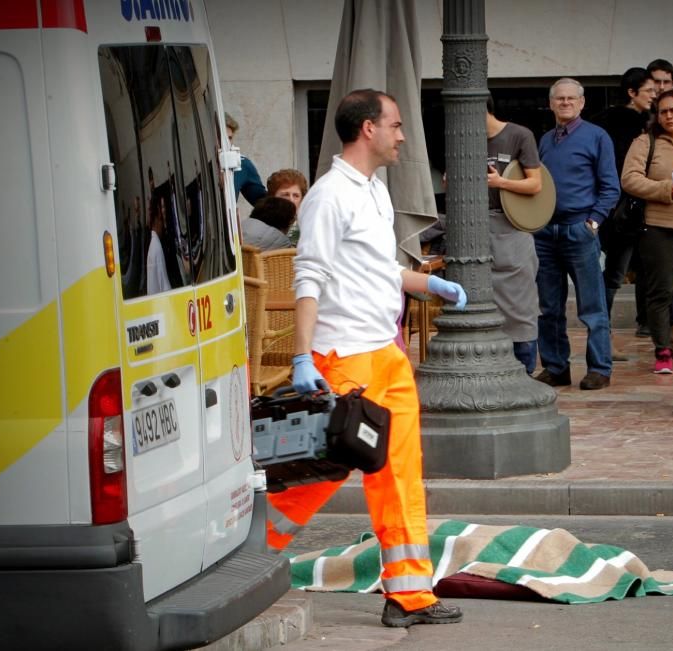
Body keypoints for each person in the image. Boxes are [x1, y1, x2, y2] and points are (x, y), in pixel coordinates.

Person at [276, 89, 467, 628]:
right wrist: (301, 358)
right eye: (397, 125)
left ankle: (409, 595)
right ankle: (247, 559)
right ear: (368, 129)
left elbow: (381, 270)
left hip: (383, 353)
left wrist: (429, 284)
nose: (403, 135)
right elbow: (308, 274)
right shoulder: (328, 195)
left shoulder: (374, 191)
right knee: (312, 477)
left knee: (401, 476)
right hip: (342, 359)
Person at [534, 78, 620, 391]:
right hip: (544, 233)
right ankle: (556, 368)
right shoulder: (545, 140)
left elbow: (611, 186)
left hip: (580, 230)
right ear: (551, 103)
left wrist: (594, 221)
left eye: (571, 98)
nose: (566, 103)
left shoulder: (597, 137)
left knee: (593, 307)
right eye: (560, 99)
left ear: (582, 103)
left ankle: (599, 369)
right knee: (548, 307)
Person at [621, 89, 673, 374]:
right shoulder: (646, 142)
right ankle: (663, 350)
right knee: (660, 291)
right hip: (657, 225)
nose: (669, 116)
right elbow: (629, 179)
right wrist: (666, 189)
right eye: (663, 111)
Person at [590, 67, 655, 357]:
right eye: (650, 91)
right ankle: (602, 338)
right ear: (632, 93)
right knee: (615, 275)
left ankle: (670, 339)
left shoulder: (617, 122)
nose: (655, 96)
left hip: (627, 210)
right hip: (625, 212)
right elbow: (619, 171)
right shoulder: (625, 125)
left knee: (645, 273)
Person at [485, 93, 543, 374]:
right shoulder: (464, 138)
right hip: (479, 230)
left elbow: (535, 185)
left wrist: (500, 182)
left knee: (521, 306)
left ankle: (526, 370)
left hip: (513, 227)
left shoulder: (520, 135)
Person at [225, 112, 266, 206]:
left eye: (229, 138)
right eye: (221, 138)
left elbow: (263, 204)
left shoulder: (241, 163)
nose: (226, 144)